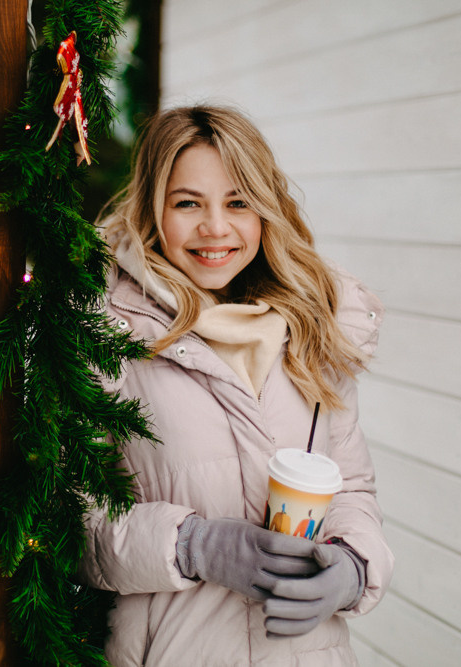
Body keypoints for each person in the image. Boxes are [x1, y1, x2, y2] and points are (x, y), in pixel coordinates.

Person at [78, 105, 393, 666]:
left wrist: (352, 566)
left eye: (238, 202)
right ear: (152, 209)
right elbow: (72, 521)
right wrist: (194, 546)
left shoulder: (312, 325)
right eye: (187, 203)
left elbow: (350, 488)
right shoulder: (107, 333)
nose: (215, 228)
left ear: (265, 210)